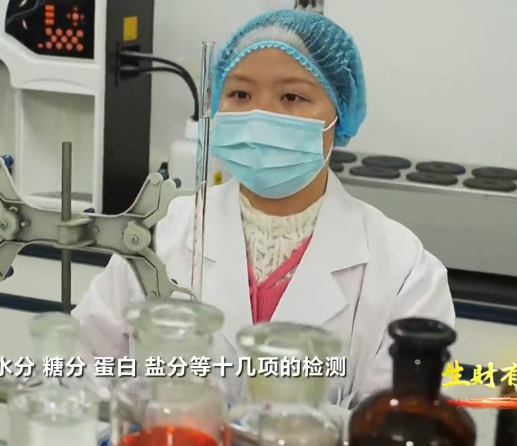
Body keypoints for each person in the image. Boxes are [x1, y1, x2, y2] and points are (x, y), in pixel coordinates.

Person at [72, 9, 455, 409]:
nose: (260, 116)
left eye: (292, 97)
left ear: (340, 112)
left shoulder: (405, 271)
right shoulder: (161, 234)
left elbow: (402, 420)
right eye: (240, 95)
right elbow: (80, 361)